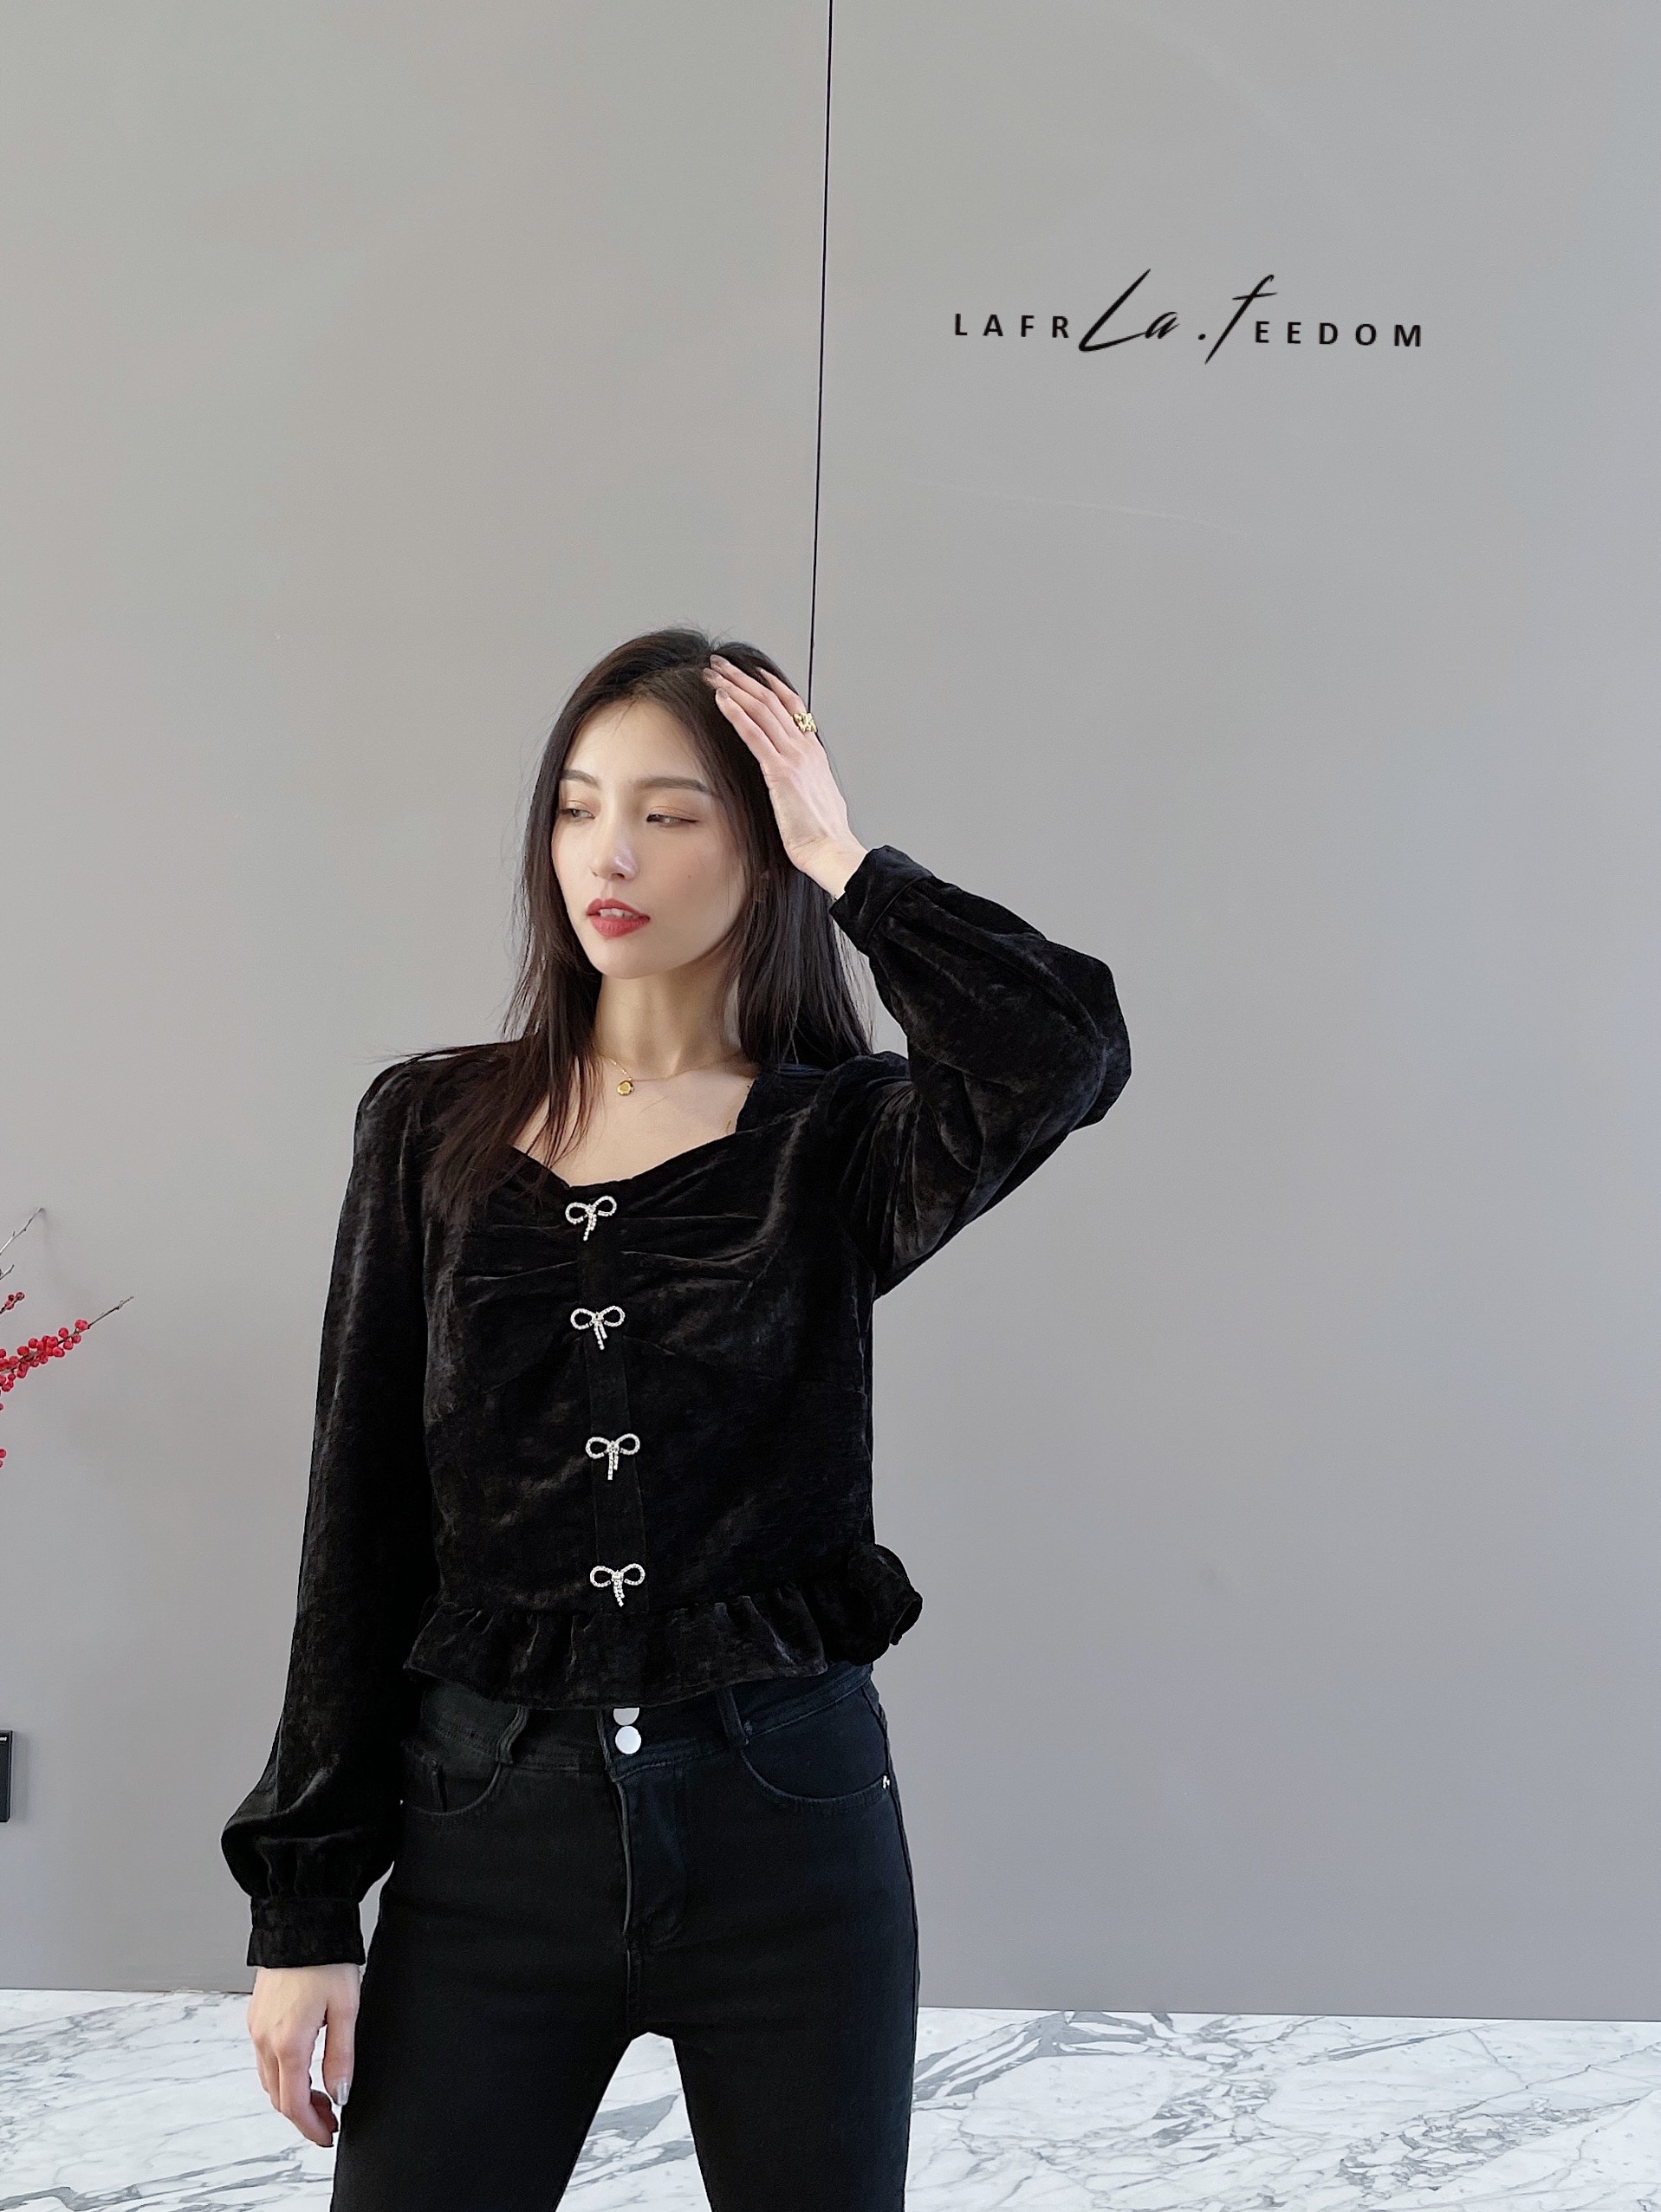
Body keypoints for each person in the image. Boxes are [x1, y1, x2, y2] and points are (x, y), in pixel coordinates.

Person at [221, 626, 1131, 2209]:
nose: (610, 855)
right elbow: (356, 1517)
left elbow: (1063, 1046)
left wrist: (850, 862)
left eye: (669, 812)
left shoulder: (841, 1140)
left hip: (787, 1829)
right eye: (577, 808)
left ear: (759, 845)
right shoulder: (429, 1125)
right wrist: (304, 1907)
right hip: (487, 1831)